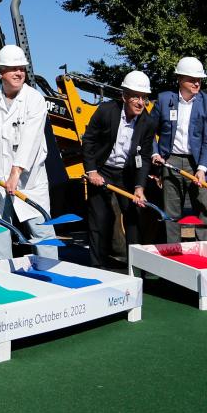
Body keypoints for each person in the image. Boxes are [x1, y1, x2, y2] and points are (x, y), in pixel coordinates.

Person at [0, 45, 57, 261]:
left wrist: (15, 173)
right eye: (13, 69)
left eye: (21, 68)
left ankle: (51, 272)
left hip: (28, 180)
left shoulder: (34, 99)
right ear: (1, 72)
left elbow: (30, 141)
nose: (19, 73)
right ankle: (2, 275)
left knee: (41, 230)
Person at [81, 70, 158, 267]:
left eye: (144, 98)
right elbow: (88, 140)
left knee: (134, 218)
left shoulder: (148, 122)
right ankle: (98, 268)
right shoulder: (106, 111)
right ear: (124, 96)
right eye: (136, 97)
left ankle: (136, 265)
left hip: (128, 173)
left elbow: (145, 156)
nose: (140, 102)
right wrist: (91, 171)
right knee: (99, 219)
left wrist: (140, 187)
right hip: (102, 169)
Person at [151, 56, 207, 242]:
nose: (197, 83)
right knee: (171, 213)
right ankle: (173, 254)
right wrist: (155, 152)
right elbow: (148, 130)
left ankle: (206, 252)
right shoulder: (164, 99)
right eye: (192, 79)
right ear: (180, 79)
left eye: (199, 79)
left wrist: (202, 168)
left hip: (200, 162)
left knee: (204, 211)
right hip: (171, 161)